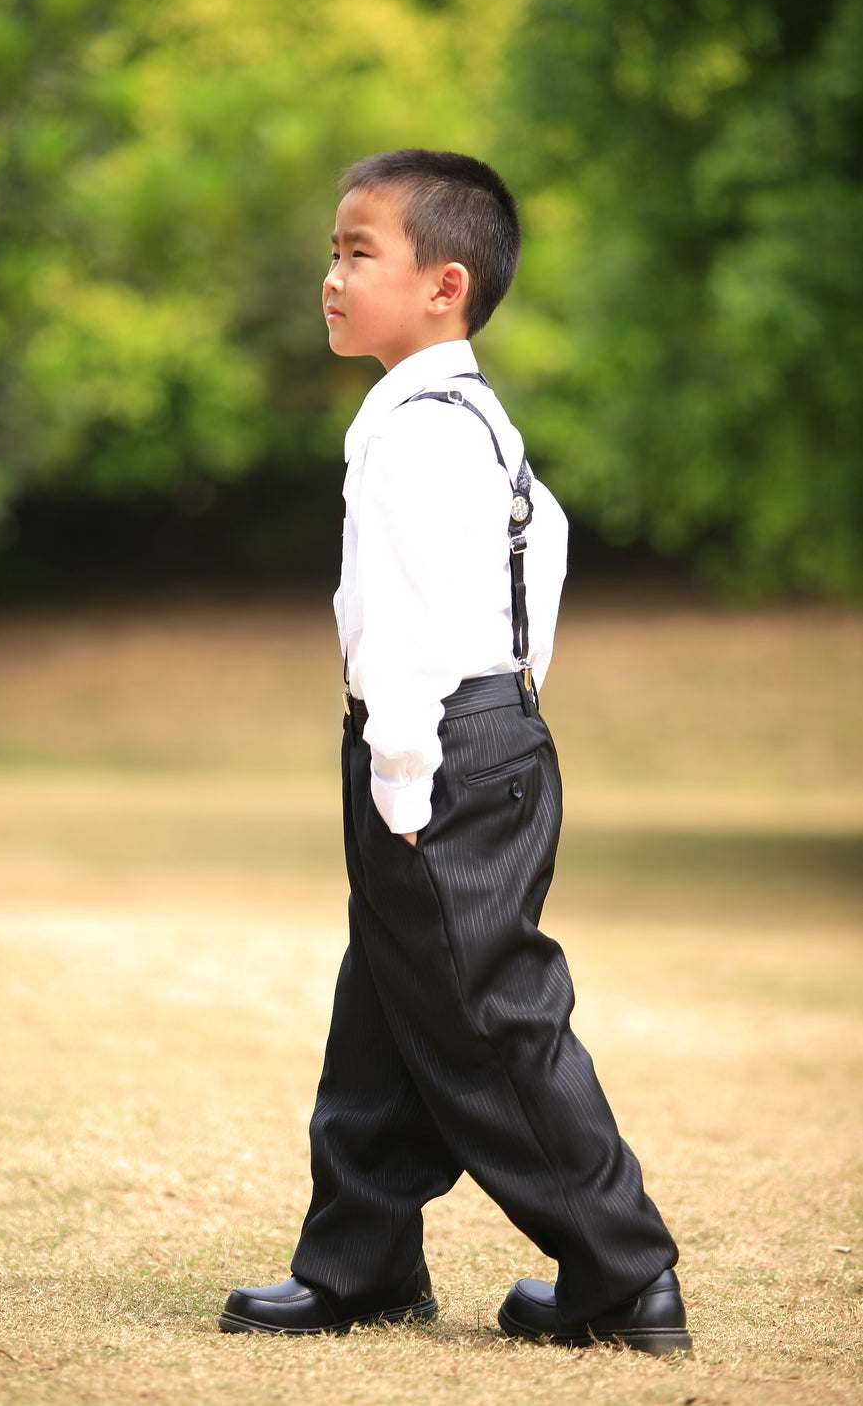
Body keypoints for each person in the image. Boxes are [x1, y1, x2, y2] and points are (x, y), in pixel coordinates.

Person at [219, 149, 691, 1356]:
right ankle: (359, 1260)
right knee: (384, 997)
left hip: (435, 749)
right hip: (481, 735)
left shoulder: (419, 430)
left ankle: (620, 1269)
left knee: (486, 1012)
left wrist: (406, 766)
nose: (330, 276)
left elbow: (416, 623)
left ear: (444, 284)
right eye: (330, 251)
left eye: (356, 252)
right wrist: (510, 701)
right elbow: (550, 546)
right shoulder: (461, 414)